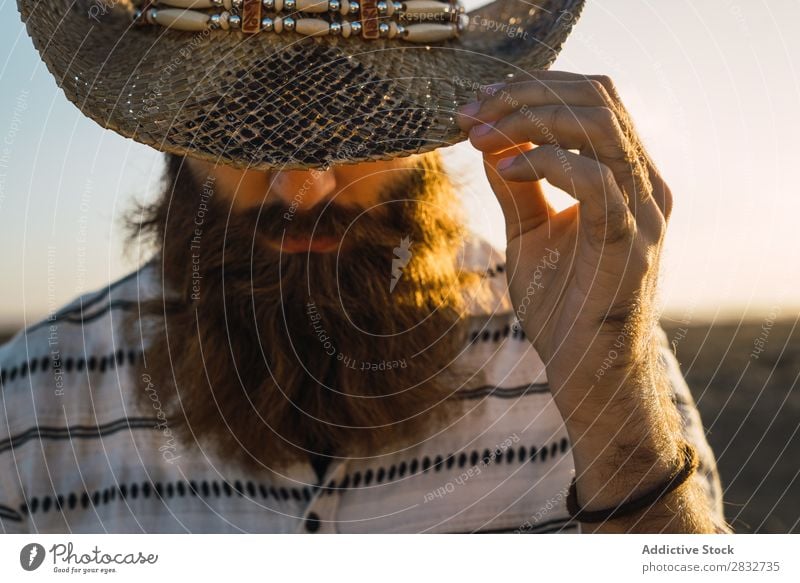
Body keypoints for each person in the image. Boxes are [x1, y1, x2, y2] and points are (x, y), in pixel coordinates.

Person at [2, 0, 728, 533]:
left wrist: (614, 410)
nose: (305, 185)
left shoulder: (599, 355)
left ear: (437, 124)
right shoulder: (31, 406)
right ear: (170, 133)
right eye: (239, 132)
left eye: (360, 126)